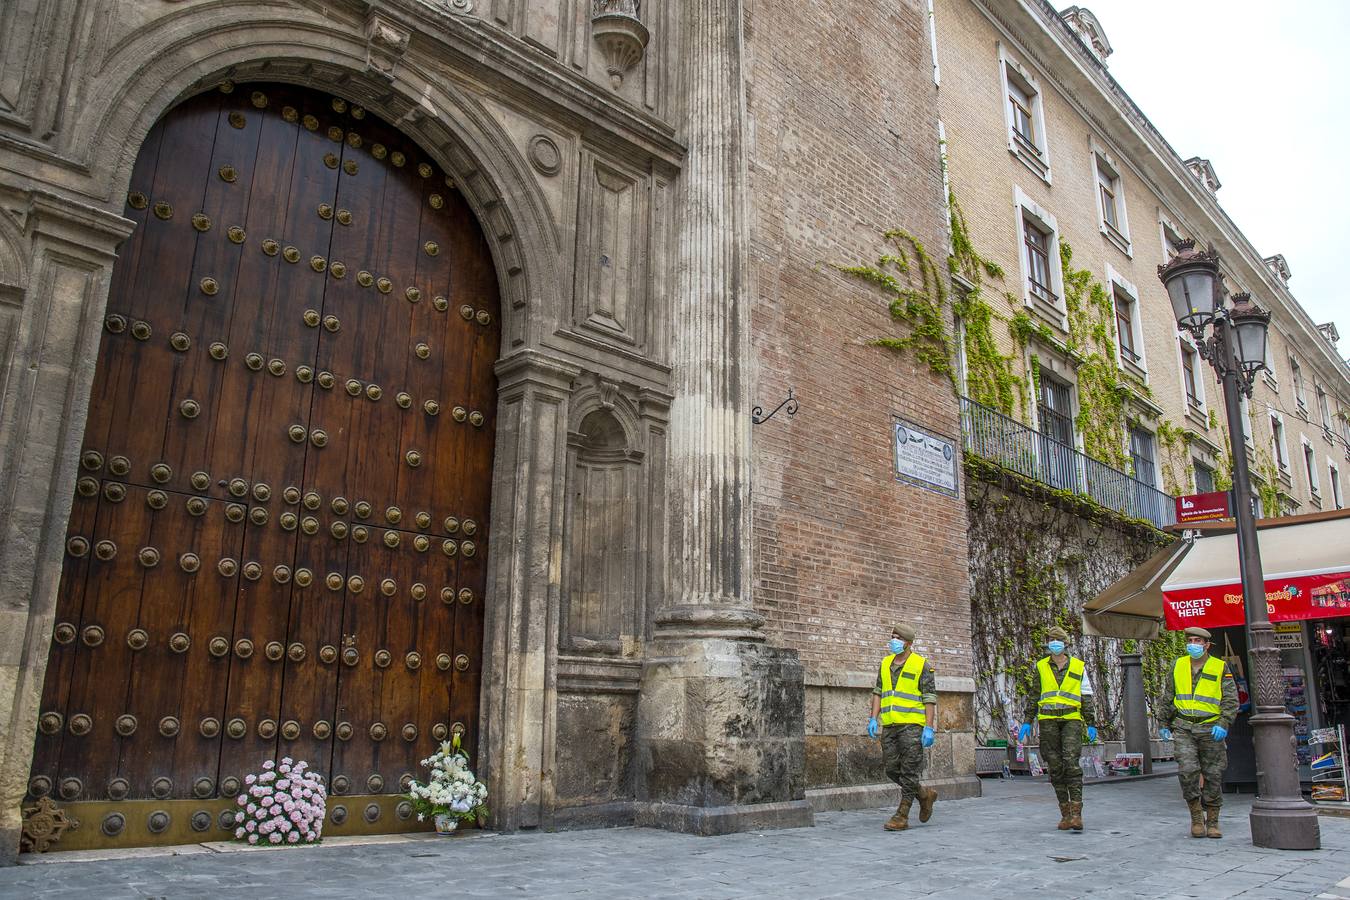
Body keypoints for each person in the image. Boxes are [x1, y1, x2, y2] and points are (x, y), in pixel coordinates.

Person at [1157, 626, 1238, 839]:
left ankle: (1212, 820)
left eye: (1197, 641)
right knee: (1187, 770)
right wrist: (1163, 722)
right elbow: (1168, 695)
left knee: (1213, 774)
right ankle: (1195, 817)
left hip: (1210, 727)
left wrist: (1224, 723)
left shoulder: (1219, 667)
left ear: (1206, 645)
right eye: (1190, 640)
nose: (1193, 644)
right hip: (1184, 726)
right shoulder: (1178, 665)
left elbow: (1230, 699)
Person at [1014, 625, 1097, 831]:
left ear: (1065, 644)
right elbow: (1034, 694)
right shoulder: (1041, 666)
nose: (1054, 644)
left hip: (1071, 720)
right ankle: (1065, 813)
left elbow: (1086, 695)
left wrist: (1091, 722)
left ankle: (1077, 813)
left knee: (1071, 763)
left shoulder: (1078, 666)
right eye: (1051, 640)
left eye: (1057, 640)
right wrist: (1027, 720)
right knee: (1055, 766)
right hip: (1048, 720)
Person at [867, 622, 937, 831]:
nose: (893, 641)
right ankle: (924, 795)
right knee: (891, 769)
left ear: (907, 642)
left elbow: (929, 697)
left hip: (912, 726)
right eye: (892, 636)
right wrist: (873, 718)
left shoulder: (921, 664)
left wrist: (929, 727)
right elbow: (878, 692)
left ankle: (902, 815)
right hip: (890, 725)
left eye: (897, 637)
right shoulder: (885, 663)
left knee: (909, 770)